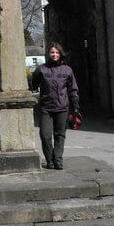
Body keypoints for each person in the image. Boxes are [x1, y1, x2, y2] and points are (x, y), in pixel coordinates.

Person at [31, 42, 79, 170]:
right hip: (46, 108)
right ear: (48, 54)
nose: (54, 55)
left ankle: (58, 160)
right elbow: (33, 84)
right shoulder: (41, 69)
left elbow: (73, 89)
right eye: (52, 52)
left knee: (60, 135)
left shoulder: (67, 70)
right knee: (45, 135)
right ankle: (49, 160)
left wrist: (75, 107)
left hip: (62, 107)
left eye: (57, 52)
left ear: (60, 54)